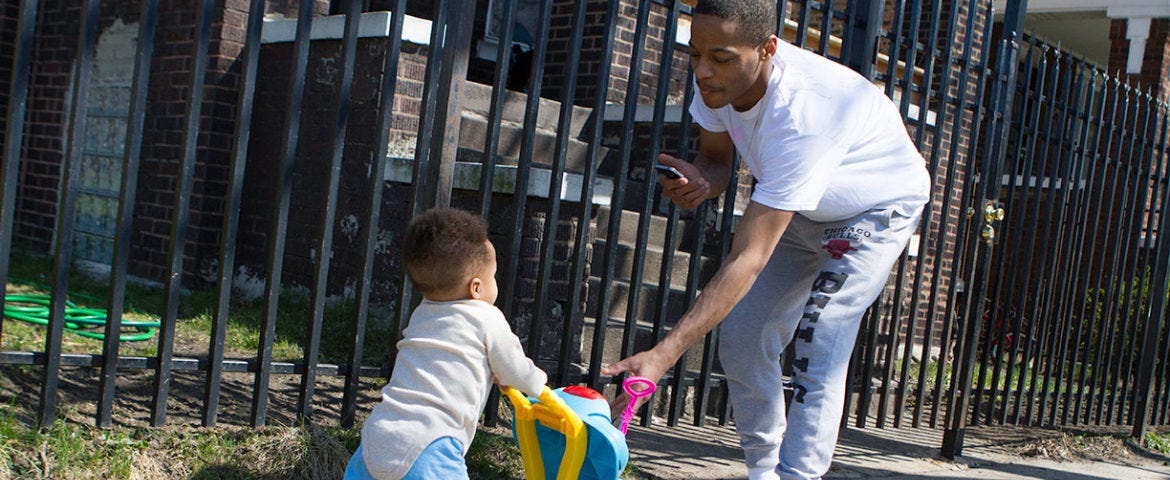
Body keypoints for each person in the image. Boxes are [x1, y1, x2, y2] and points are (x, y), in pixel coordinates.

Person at [601, 1, 931, 479]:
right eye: (695, 55)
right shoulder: (717, 89)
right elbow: (716, 159)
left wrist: (662, 355)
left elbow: (748, 258)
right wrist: (703, 182)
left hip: (873, 208)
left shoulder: (802, 116)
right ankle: (764, 470)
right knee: (742, 335)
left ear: (768, 49)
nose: (703, 71)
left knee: (820, 340)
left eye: (721, 57)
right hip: (802, 206)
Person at [345, 207, 547, 480]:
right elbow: (517, 371)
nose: (495, 283)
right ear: (476, 287)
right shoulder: (487, 316)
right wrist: (538, 382)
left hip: (376, 438)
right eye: (494, 276)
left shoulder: (422, 313)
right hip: (430, 444)